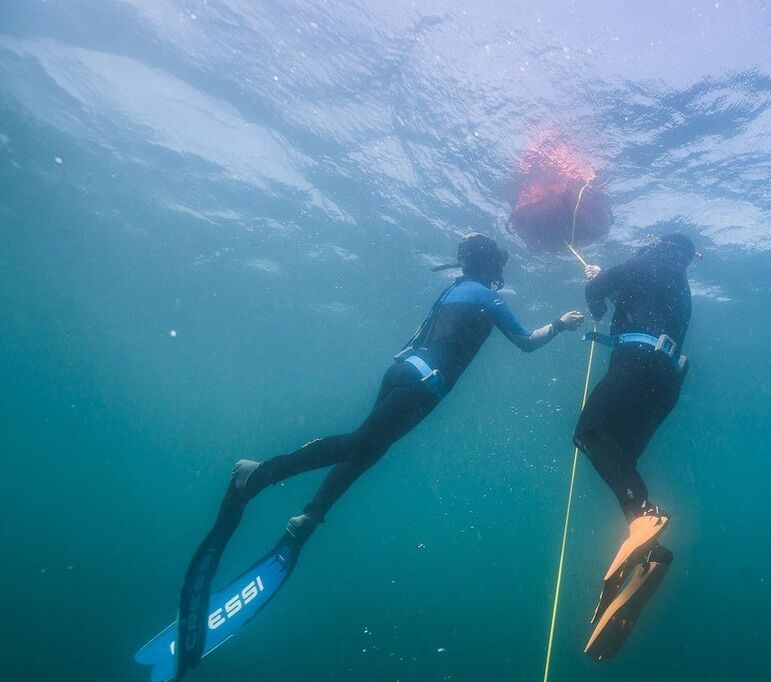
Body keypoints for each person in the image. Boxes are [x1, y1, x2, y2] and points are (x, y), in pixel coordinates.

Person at [170, 234, 584, 680]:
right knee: (359, 444)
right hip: (426, 386)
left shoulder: (454, 289)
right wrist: (559, 324)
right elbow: (526, 342)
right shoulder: (487, 295)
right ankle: (259, 476)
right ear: (492, 267)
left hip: (402, 371)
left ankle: (310, 516)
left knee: (368, 450)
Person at [573, 233, 697, 661]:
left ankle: (643, 518)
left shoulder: (645, 263)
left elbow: (595, 290)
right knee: (620, 456)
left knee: (589, 434)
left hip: (636, 365)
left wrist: (598, 291)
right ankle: (649, 546)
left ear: (657, 246)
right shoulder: (681, 286)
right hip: (668, 381)